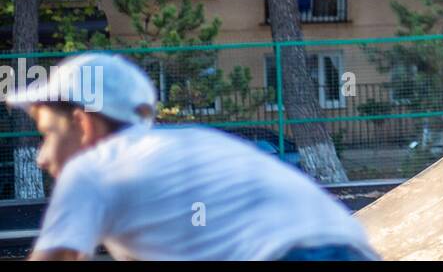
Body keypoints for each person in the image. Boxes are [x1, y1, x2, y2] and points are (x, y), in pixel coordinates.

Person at [7, 51, 377, 260]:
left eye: (47, 135)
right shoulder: (196, 143)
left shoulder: (93, 167)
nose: (41, 157)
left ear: (84, 124)